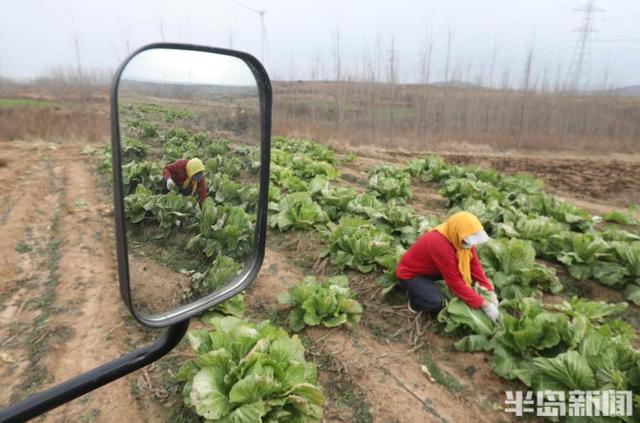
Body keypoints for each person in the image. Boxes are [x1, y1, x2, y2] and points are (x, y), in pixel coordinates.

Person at [396, 211, 500, 323]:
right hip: (411, 274)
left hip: (430, 270)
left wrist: (489, 290)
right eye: (467, 241)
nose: (469, 244)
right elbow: (454, 281)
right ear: (457, 232)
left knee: (460, 280)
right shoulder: (439, 243)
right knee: (438, 303)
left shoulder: (460, 237)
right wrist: (485, 305)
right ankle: (415, 301)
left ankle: (426, 287)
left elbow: (474, 265)